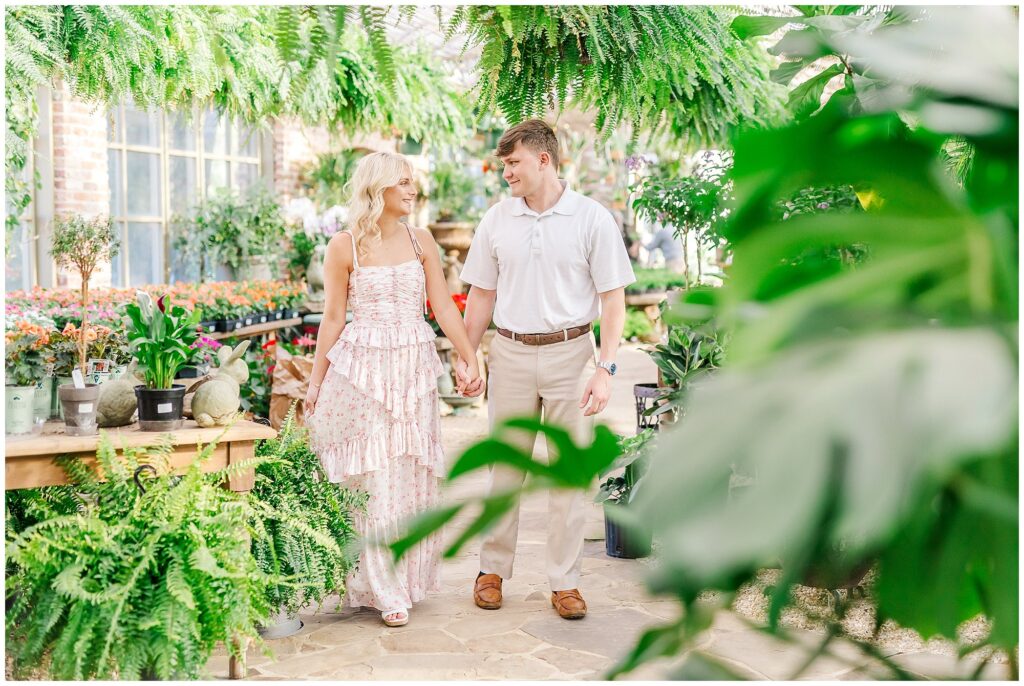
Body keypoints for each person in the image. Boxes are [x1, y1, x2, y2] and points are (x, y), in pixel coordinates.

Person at [455, 119, 635, 620]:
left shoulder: (592, 219)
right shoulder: (497, 219)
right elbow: (482, 295)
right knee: (504, 469)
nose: (504, 170)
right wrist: (470, 358)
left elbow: (612, 298)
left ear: (543, 160)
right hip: (509, 353)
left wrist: (606, 367)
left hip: (572, 354)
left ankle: (565, 582)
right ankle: (491, 570)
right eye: (503, 162)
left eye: (512, 162)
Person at [304, 151, 482, 627]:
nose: (412, 191)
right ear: (376, 187)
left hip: (413, 369)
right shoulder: (343, 245)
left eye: (413, 183)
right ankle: (383, 587)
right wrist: (316, 383)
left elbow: (443, 307)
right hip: (364, 370)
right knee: (376, 478)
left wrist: (469, 355)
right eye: (402, 182)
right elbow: (334, 318)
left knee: (409, 477)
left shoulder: (421, 239)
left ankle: (402, 576)